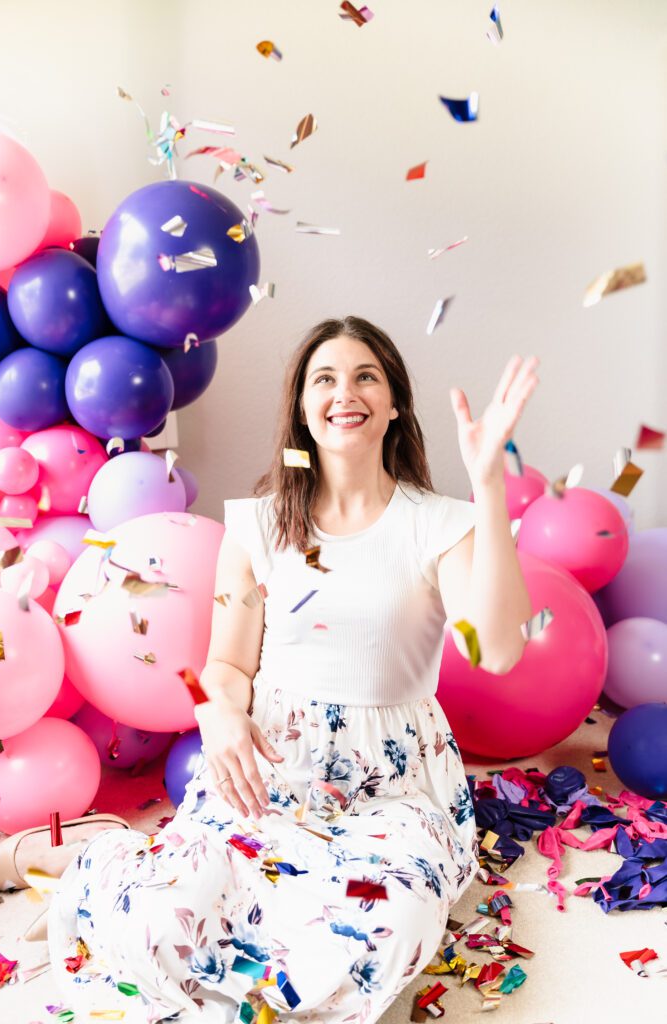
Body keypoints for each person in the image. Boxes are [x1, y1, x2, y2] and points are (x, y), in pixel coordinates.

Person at [40, 315, 537, 1023]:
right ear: (303, 407)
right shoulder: (258, 524)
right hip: (272, 769)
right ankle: (87, 860)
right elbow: (225, 664)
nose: (345, 392)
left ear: (394, 401)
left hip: (392, 789)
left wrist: (488, 485)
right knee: (161, 924)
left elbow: (498, 652)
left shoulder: (441, 523)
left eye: (365, 375)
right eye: (324, 379)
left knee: (379, 932)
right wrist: (217, 712)